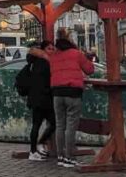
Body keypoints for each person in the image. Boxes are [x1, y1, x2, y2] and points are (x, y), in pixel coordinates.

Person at [49, 28, 94, 169]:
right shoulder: (76, 53)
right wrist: (88, 57)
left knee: (59, 125)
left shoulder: (53, 55)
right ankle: (69, 157)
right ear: (70, 40)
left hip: (57, 93)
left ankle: (60, 157)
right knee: (71, 126)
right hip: (72, 93)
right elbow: (90, 70)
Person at [24, 40, 57, 160]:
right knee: (53, 122)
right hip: (43, 98)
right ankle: (37, 146)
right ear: (43, 50)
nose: (51, 51)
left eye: (53, 48)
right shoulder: (45, 63)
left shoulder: (35, 62)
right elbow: (47, 81)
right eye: (49, 48)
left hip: (36, 98)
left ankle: (34, 150)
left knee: (37, 124)